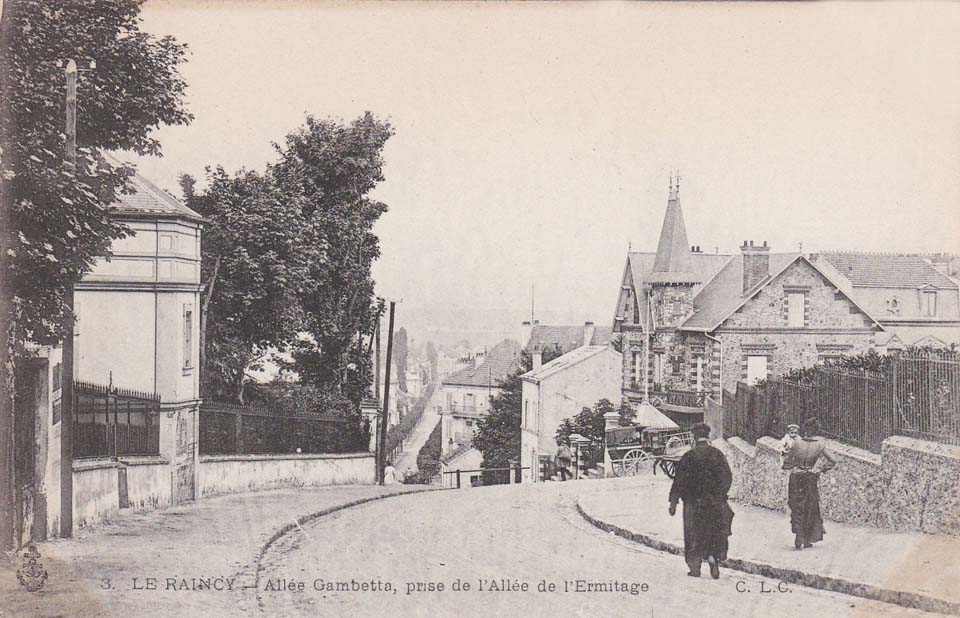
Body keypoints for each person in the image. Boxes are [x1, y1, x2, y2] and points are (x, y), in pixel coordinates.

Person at [668, 423, 734, 579]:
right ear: (708, 436)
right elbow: (727, 477)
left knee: (693, 535)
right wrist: (720, 495)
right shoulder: (717, 455)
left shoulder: (688, 456)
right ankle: (713, 559)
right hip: (714, 503)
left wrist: (673, 502)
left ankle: (695, 567)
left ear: (694, 437)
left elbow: (679, 481)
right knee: (712, 532)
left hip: (692, 503)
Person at [782, 417, 836, 550]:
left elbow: (787, 463)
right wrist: (822, 469)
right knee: (810, 507)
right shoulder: (819, 444)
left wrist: (790, 465)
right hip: (810, 478)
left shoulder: (796, 444)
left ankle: (799, 534)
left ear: (804, 430)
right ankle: (806, 539)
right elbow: (833, 460)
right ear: (816, 430)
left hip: (796, 478)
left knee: (796, 506)